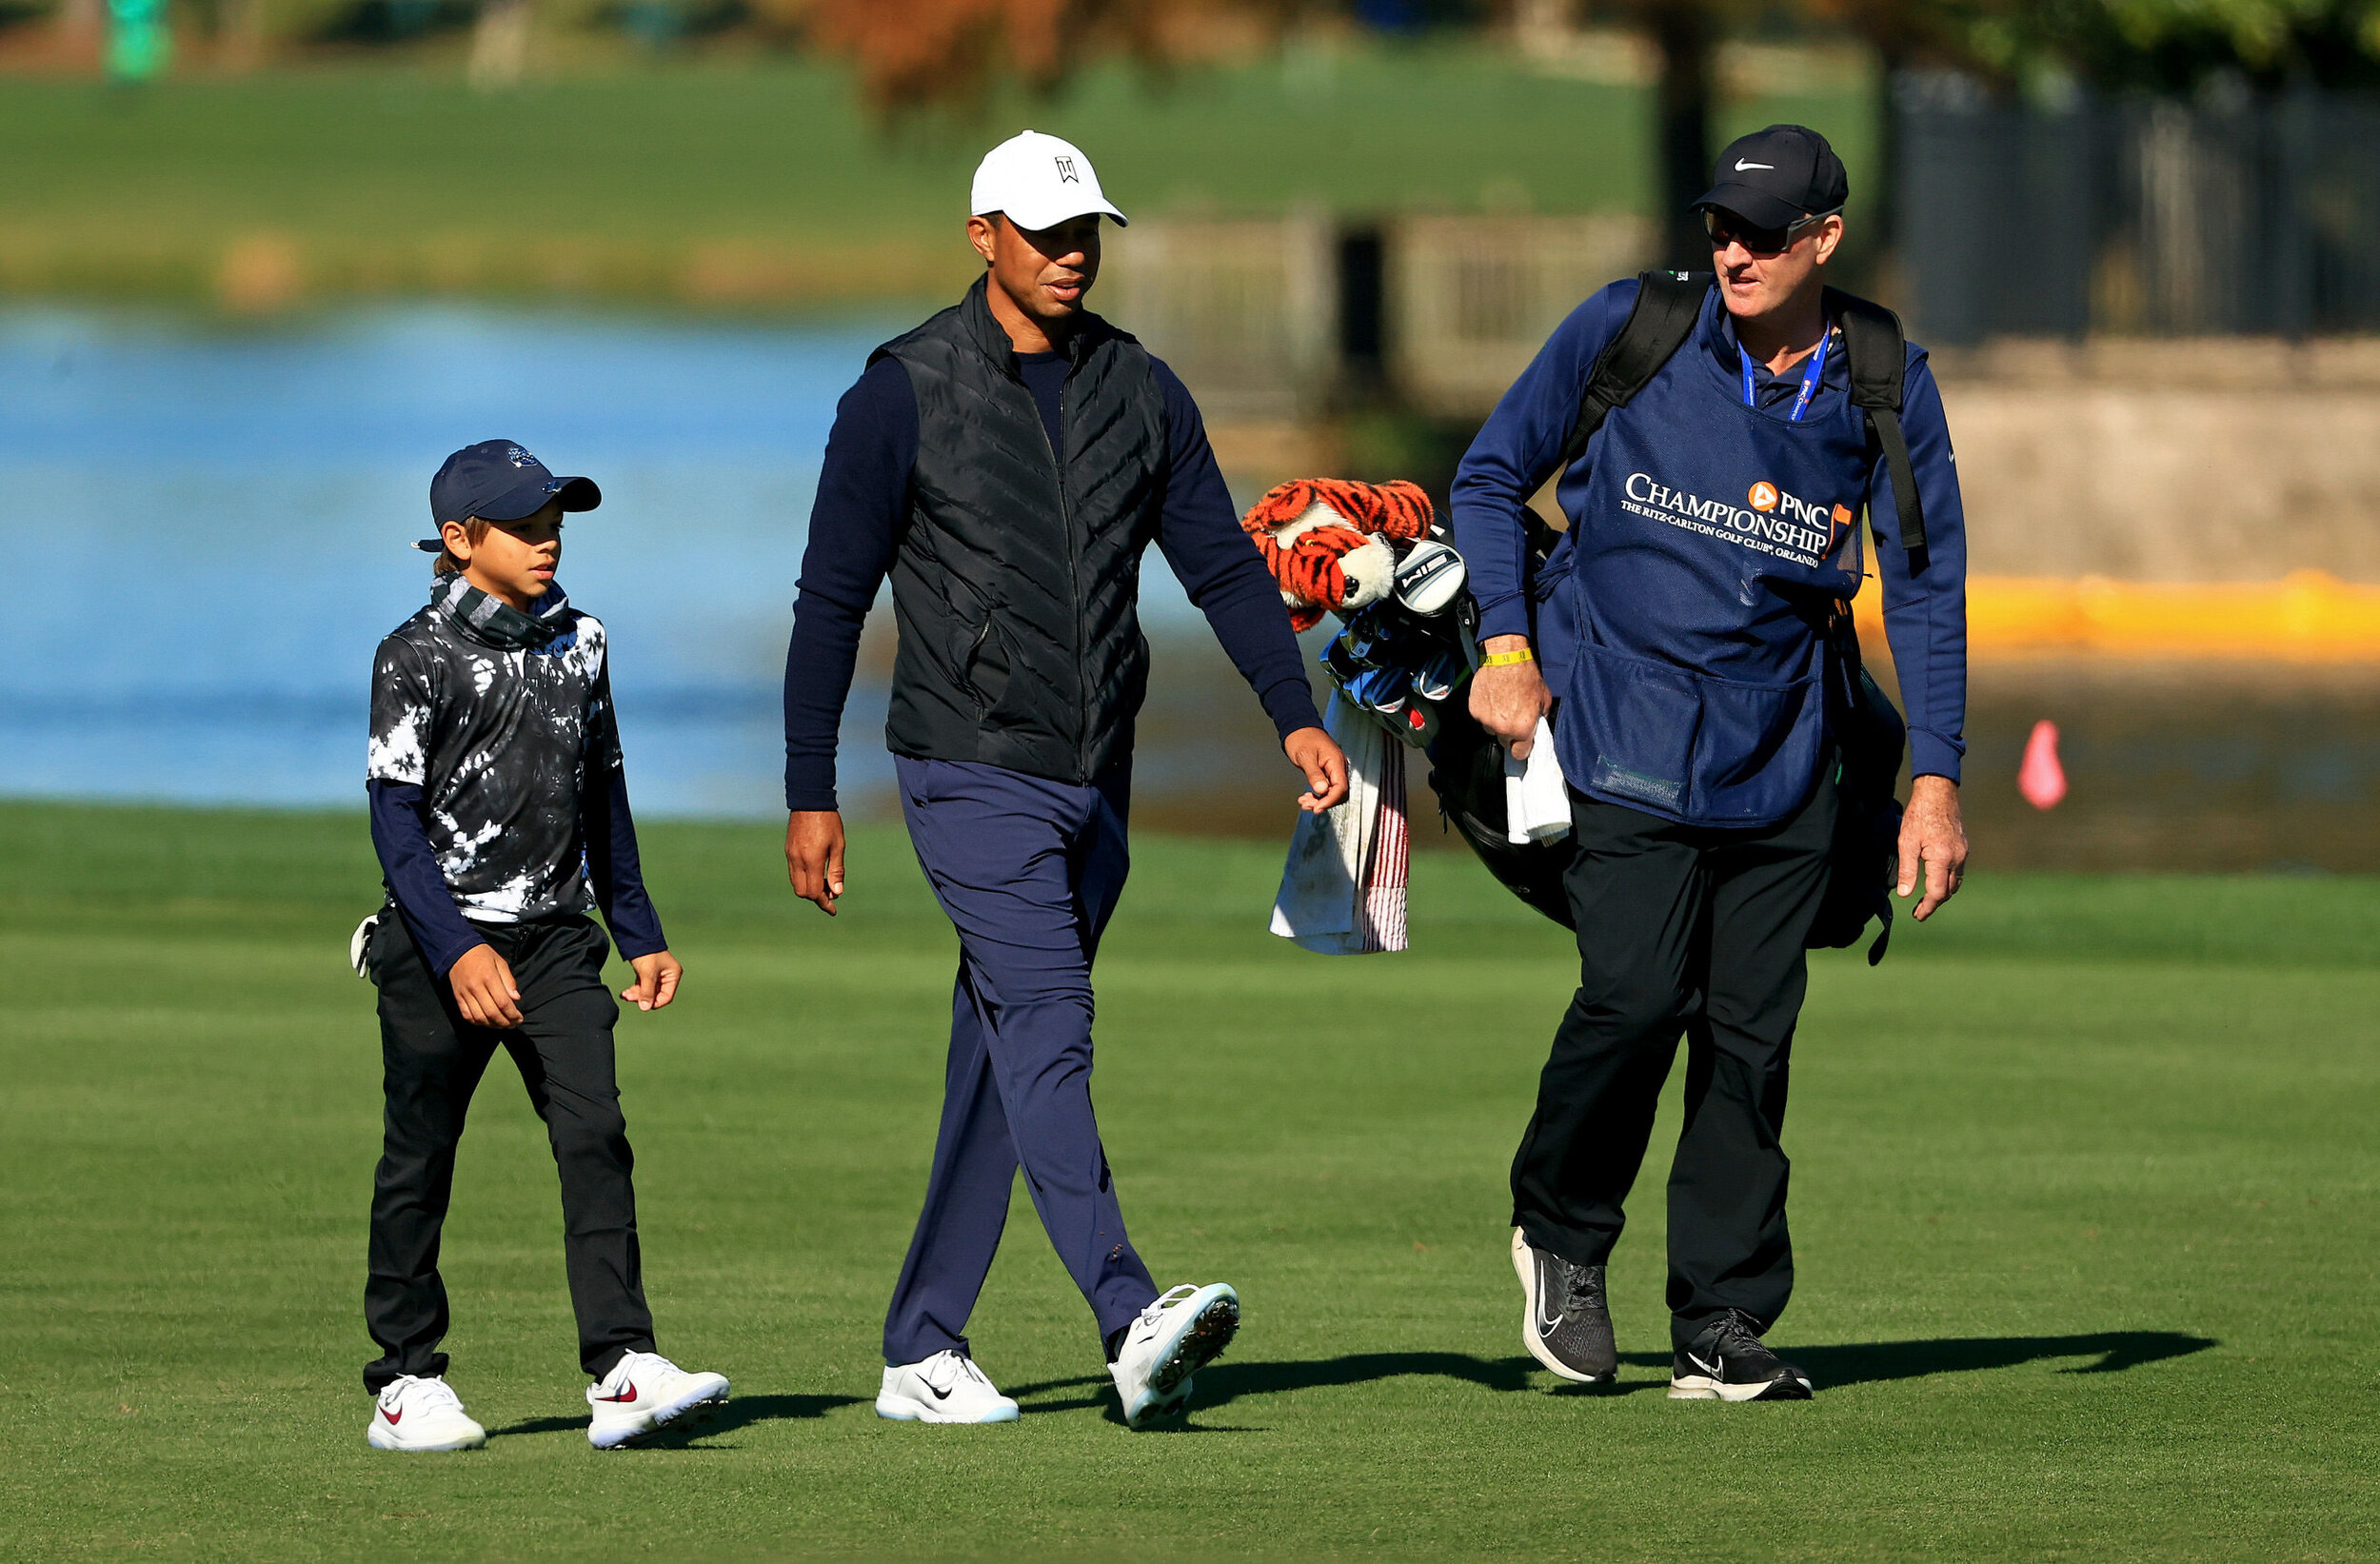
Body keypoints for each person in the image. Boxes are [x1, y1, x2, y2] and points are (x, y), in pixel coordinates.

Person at [782, 130, 1350, 1428]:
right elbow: (829, 598)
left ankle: (923, 1345)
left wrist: (1292, 717)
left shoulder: (1140, 389)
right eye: (1045, 233)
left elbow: (1218, 567)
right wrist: (811, 787)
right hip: (965, 763)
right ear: (982, 235)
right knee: (1049, 1019)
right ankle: (1127, 1311)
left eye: (1086, 229)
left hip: (1097, 779)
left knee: (1002, 1041)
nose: (1072, 253)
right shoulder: (902, 389)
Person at [1450, 126, 1970, 1401]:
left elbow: (1924, 583)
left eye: (1764, 233)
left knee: (1751, 1034)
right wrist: (1506, 645)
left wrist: (1941, 780)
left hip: (1785, 751)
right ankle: (1561, 1233)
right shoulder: (1636, 327)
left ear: (1824, 240)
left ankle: (1720, 1317)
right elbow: (1487, 476)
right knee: (1633, 996)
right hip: (1614, 732)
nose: (1733, 251)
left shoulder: (1884, 376)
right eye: (1720, 228)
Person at [359, 439, 729, 1451]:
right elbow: (394, 824)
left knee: (594, 1132)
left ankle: (621, 1366)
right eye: (523, 524)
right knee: (420, 1156)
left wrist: (639, 929)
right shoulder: (415, 652)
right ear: (458, 538)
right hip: (439, 944)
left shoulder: (585, 640)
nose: (548, 537)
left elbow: (601, 793)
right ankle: (403, 1378)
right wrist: (452, 949)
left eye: (554, 519)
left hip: (559, 938)